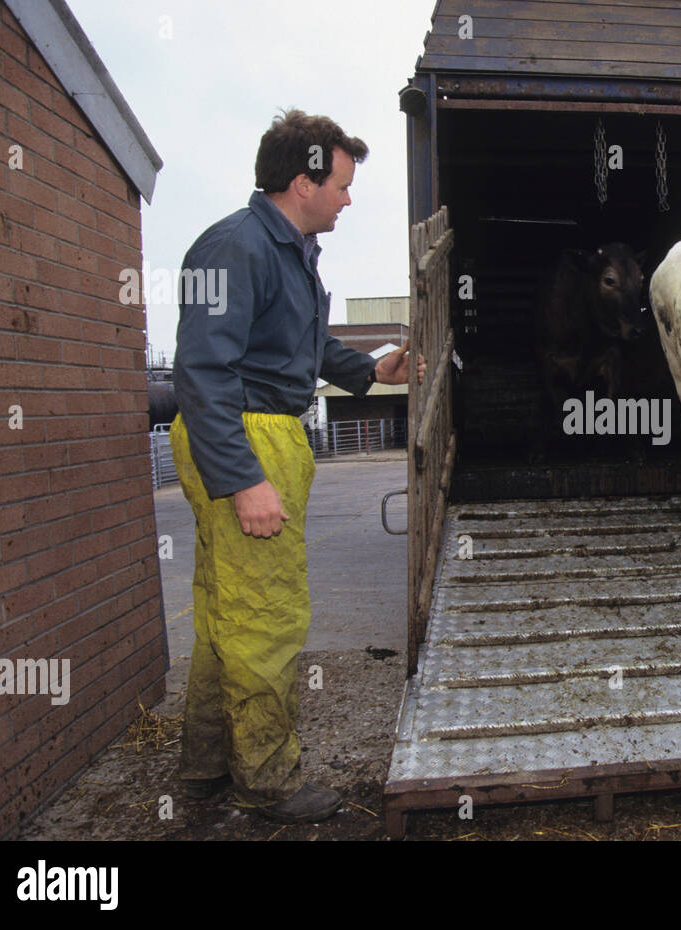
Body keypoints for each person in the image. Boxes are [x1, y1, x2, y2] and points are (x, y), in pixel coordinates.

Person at [169, 109, 424, 824]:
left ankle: (208, 764)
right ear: (301, 180)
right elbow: (203, 371)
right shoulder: (233, 247)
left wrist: (375, 370)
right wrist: (243, 478)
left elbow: (304, 353)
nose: (348, 199)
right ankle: (268, 780)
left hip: (260, 432)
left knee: (225, 611)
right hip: (243, 439)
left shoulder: (288, 252)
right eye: (341, 185)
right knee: (268, 614)